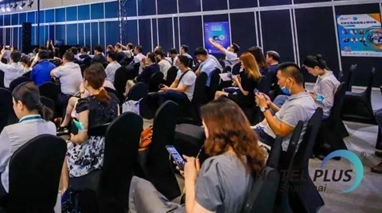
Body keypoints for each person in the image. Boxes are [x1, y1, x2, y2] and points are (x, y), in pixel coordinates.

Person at [129, 97, 265, 213]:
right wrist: (199, 176)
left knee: (136, 183)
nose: (204, 131)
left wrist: (190, 178)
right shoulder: (249, 156)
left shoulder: (216, 166)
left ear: (217, 130)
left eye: (205, 127)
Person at [0, 82, 56, 208]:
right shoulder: (51, 127)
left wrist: (1, 147)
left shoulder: (10, 132)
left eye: (13, 104)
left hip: (13, 190)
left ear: (20, 104)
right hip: (43, 185)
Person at [61, 65, 119, 187]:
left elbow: (82, 137)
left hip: (89, 151)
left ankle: (65, 189)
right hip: (109, 147)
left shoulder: (84, 105)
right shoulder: (113, 98)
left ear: (86, 82)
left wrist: (72, 138)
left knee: (65, 147)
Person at [254, 63, 317, 151]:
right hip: (268, 134)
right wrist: (270, 104)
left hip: (272, 142)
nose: (278, 83)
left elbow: (280, 132)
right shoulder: (303, 97)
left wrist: (264, 108)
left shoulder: (298, 106)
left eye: (279, 79)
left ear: (289, 81)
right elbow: (287, 116)